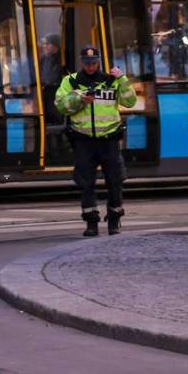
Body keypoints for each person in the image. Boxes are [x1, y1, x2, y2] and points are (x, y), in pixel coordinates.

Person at [55, 46, 137, 236]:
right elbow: (61, 106)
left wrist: (122, 79)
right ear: (81, 62)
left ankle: (114, 221)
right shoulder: (71, 81)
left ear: (99, 61)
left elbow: (130, 102)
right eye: (87, 63)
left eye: (93, 62)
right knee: (86, 184)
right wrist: (79, 99)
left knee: (115, 182)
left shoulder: (111, 80)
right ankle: (91, 223)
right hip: (83, 140)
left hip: (109, 139)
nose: (90, 66)